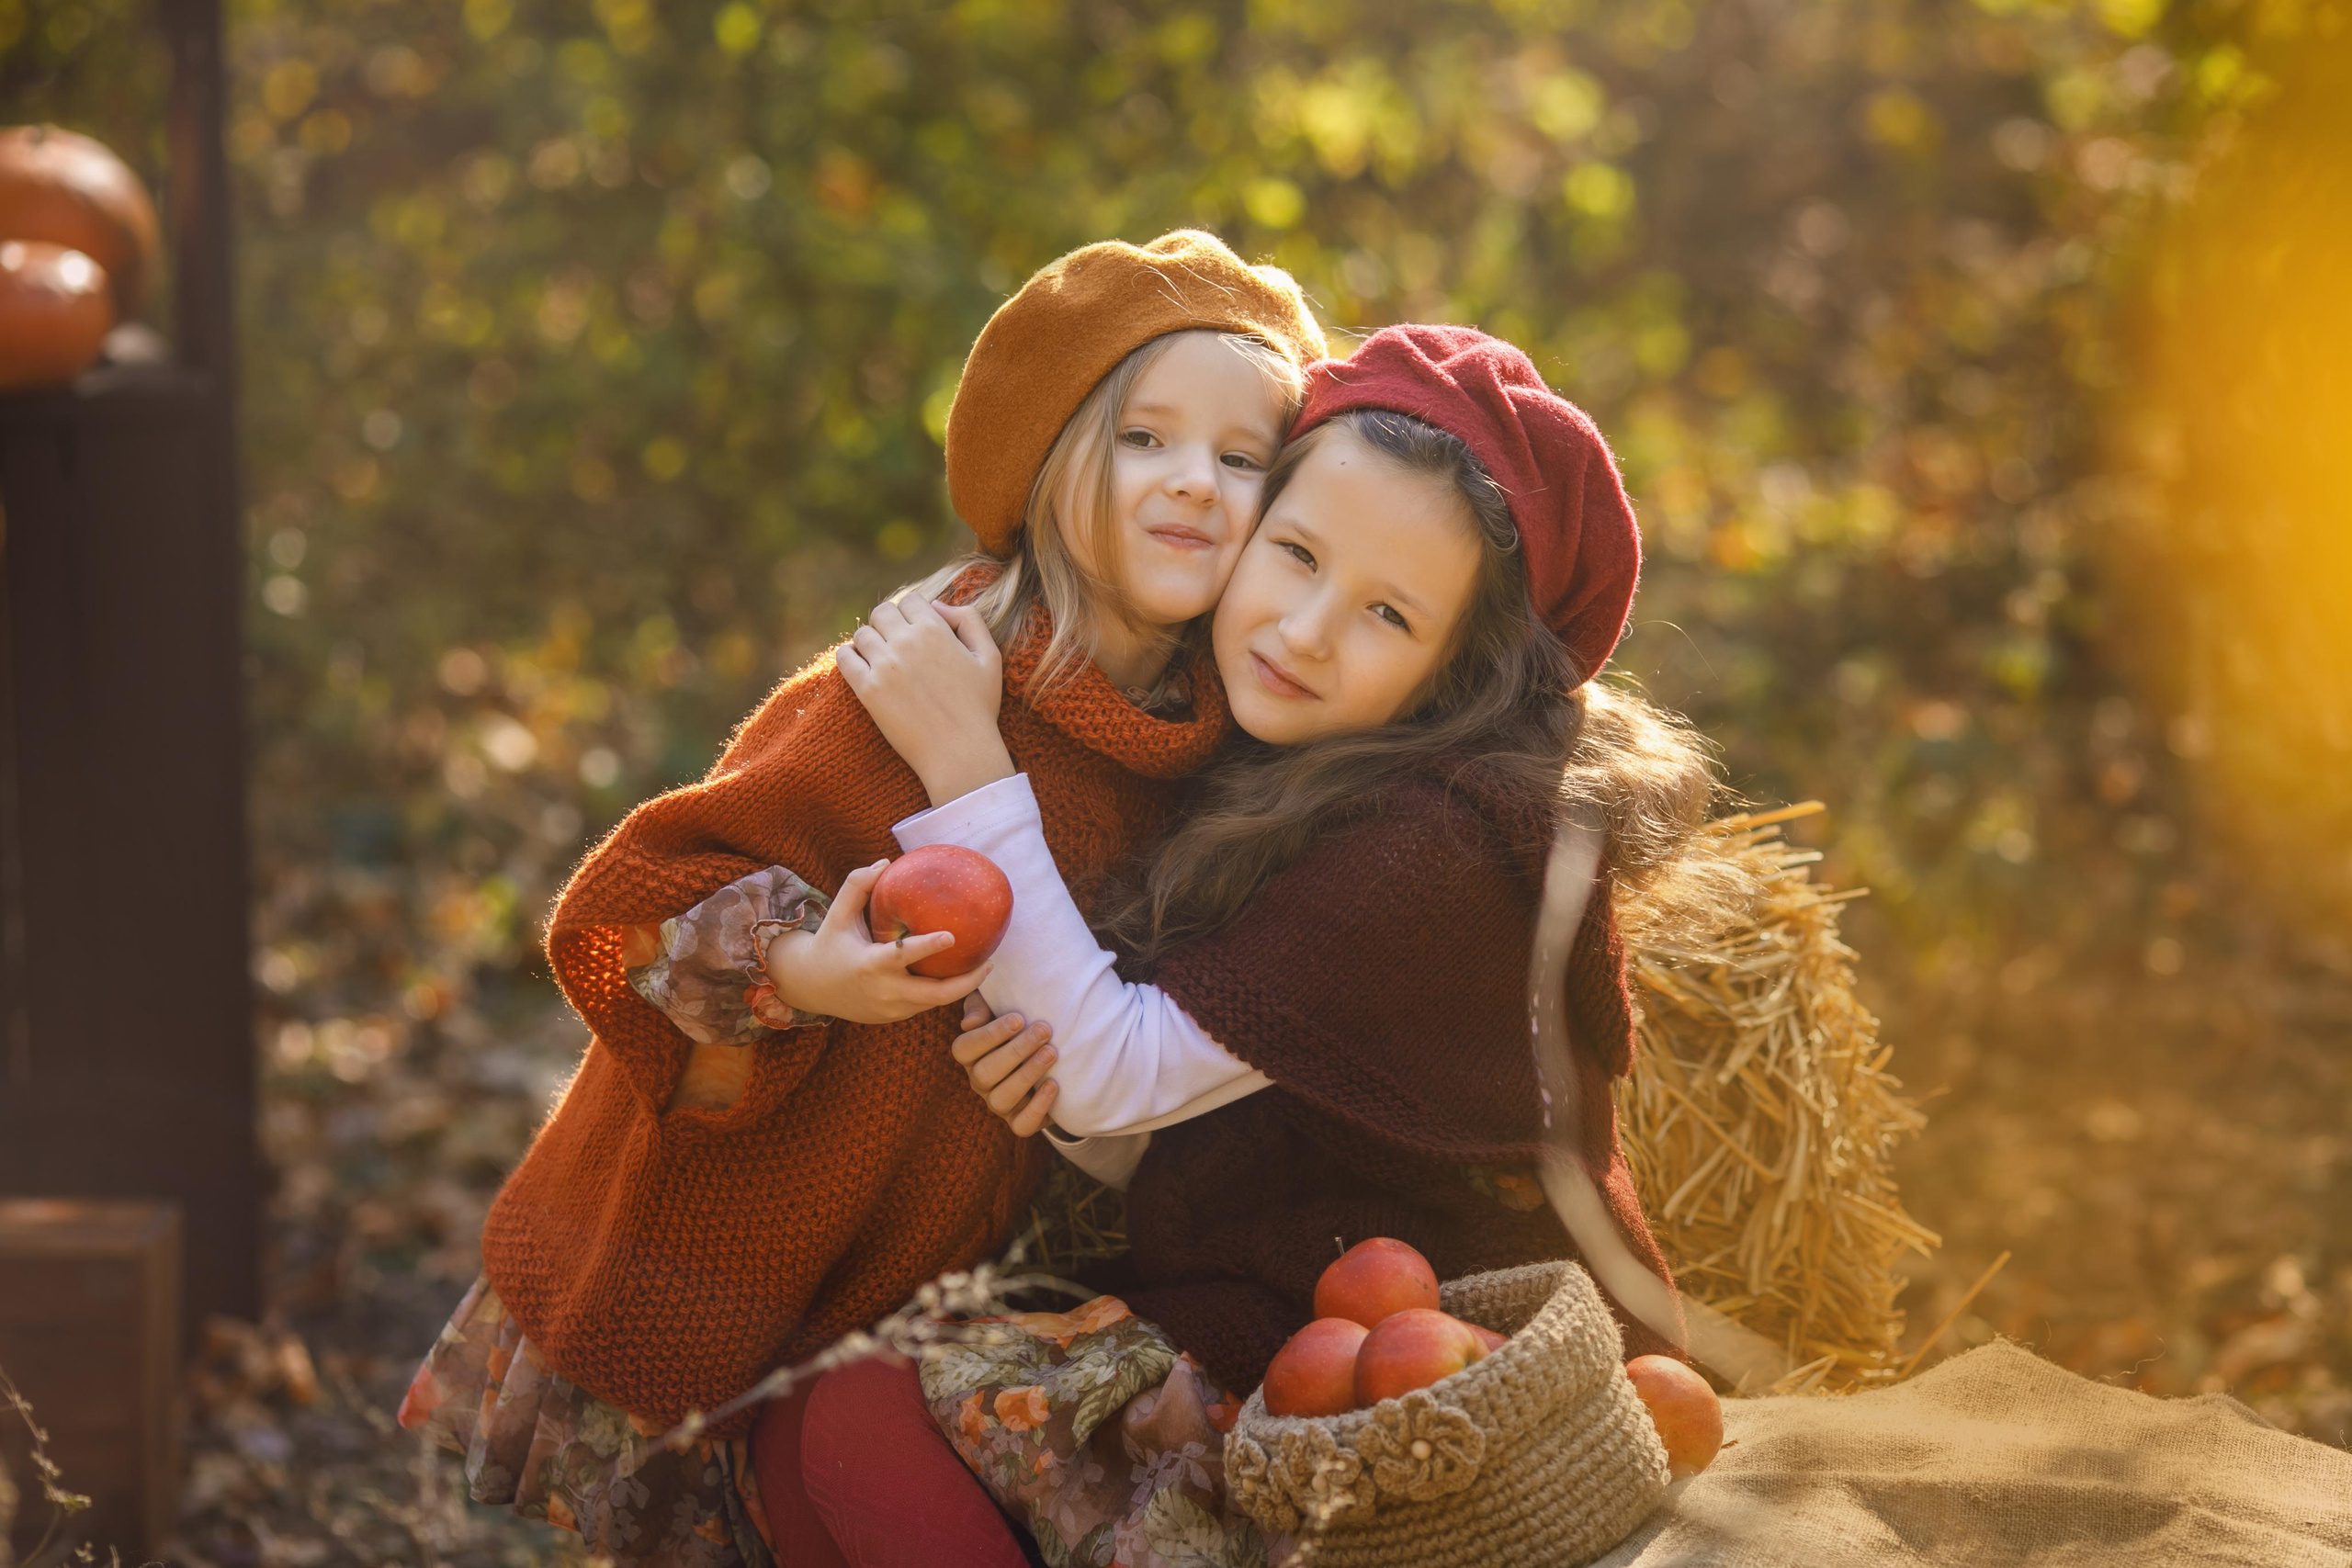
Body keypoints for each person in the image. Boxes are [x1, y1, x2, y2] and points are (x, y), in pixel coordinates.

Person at [394, 231, 1326, 1568]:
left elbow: (1139, 1037)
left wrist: (1075, 1117)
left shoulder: (1213, 756)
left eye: (1242, 460)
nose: (1195, 481)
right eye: (1146, 439)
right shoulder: (926, 674)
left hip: (914, 1272)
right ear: (1051, 463)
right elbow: (630, 907)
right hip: (723, 1242)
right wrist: (803, 970)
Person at [830, 323, 1719, 1565]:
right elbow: (1211, 1106)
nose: (1303, 631)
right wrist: (1077, 1108)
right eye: (1295, 553)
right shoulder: (1282, 763)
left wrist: (966, 768)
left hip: (1434, 1385)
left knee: (853, 1424)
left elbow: (1123, 1069)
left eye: (1386, 614)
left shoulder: (1438, 848)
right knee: (814, 1428)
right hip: (1291, 1295)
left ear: (1455, 677)